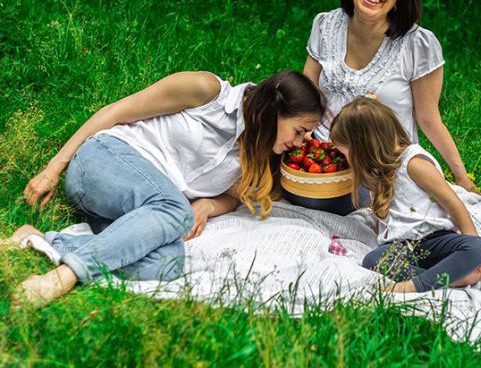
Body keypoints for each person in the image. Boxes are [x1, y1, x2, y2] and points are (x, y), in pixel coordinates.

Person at [7, 70, 325, 306]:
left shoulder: (260, 152)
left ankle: (43, 240)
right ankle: (63, 277)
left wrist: (207, 206)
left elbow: (231, 197)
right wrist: (53, 168)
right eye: (299, 131)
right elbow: (115, 112)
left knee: (169, 263)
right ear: (274, 110)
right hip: (104, 160)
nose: (299, 143)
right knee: (173, 210)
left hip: (136, 208)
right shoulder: (207, 91)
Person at [303, 0, 478, 201]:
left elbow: (429, 118)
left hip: (382, 167)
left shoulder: (417, 44)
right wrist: (302, 141)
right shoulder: (325, 25)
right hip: (322, 162)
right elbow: (308, 93)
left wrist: (461, 177)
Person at [329, 97, 481, 293]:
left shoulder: (413, 163)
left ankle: (416, 285)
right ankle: (446, 278)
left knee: (477, 247)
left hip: (435, 239)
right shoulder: (376, 170)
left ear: (363, 147)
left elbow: (451, 201)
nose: (343, 158)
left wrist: (472, 237)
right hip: (402, 247)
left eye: (344, 152)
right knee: (372, 260)